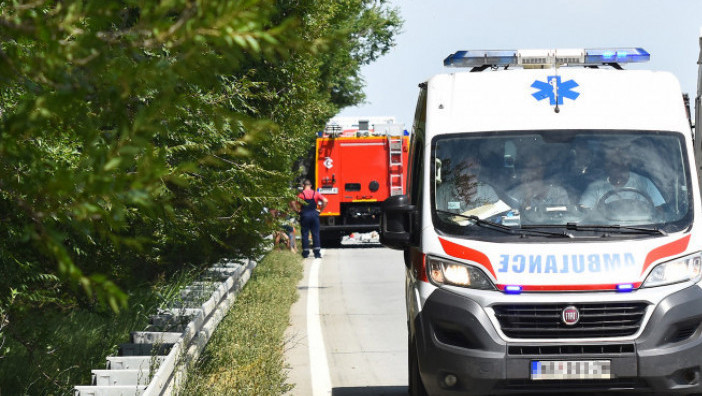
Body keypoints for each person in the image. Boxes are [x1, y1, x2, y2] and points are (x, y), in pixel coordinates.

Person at [579, 142, 665, 211]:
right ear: (606, 166)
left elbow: (659, 213)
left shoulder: (644, 183)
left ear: (627, 164)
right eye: (612, 163)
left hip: (645, 229)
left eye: (620, 163)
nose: (617, 168)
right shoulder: (596, 187)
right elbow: (583, 212)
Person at [435, 155, 500, 215]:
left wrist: (473, 198)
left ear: (478, 172)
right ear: (456, 171)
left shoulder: (487, 192)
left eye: (474, 170)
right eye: (464, 169)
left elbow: (494, 216)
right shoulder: (443, 192)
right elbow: (438, 217)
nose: (469, 174)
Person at [291, 179, 328, 259]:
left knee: (305, 234)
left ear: (303, 186)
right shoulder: (316, 193)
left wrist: (297, 211)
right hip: (314, 215)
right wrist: (320, 210)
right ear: (310, 185)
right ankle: (317, 253)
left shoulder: (301, 194)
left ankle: (305, 253)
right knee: (315, 234)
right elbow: (325, 200)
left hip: (304, 215)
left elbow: (292, 202)